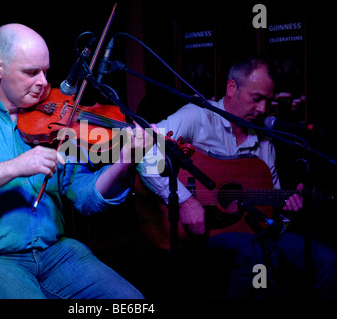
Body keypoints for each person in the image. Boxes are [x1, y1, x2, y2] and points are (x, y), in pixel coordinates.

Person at [0, 23, 150, 299]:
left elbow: (86, 196)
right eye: (30, 72)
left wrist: (124, 162)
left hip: (57, 254)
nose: (43, 82)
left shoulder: (59, 122)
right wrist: (15, 166)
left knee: (132, 303)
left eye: (45, 71)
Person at [137, 56, 335, 299]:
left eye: (268, 101)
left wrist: (286, 212)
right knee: (259, 254)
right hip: (196, 232)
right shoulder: (197, 116)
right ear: (232, 88)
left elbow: (268, 215)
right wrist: (185, 200)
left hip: (251, 234)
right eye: (256, 98)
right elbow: (144, 146)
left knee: (326, 260)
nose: (263, 109)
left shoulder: (265, 144)